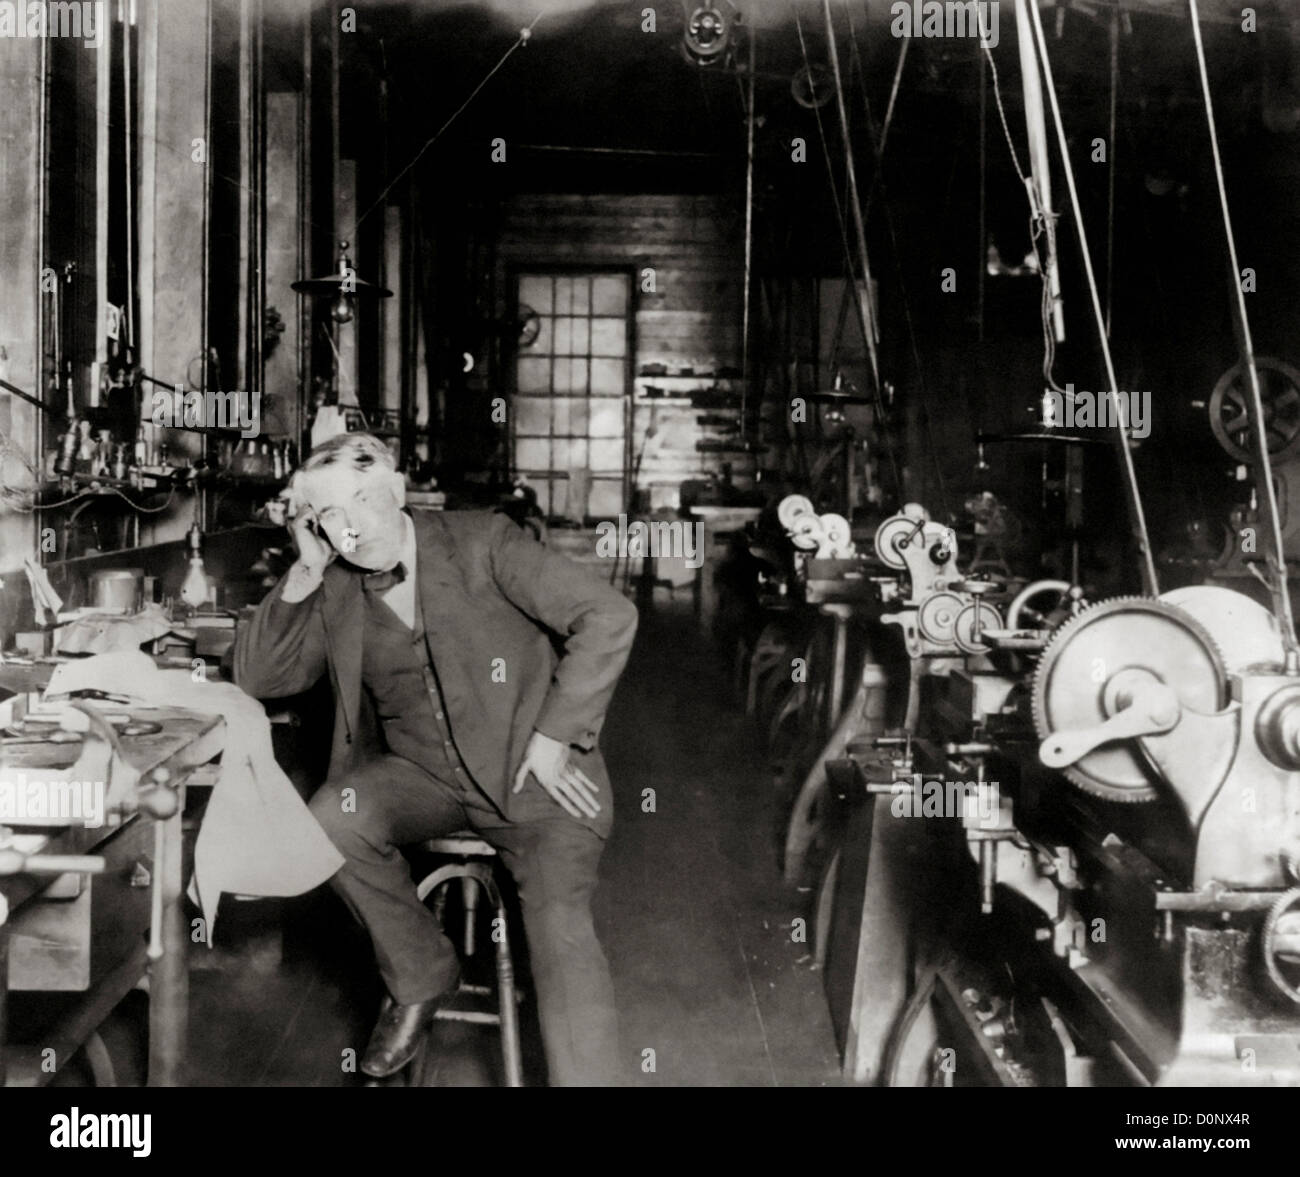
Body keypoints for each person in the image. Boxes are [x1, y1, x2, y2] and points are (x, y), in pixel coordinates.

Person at [233, 432, 638, 1085]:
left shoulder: (482, 541)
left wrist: (558, 734)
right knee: (333, 817)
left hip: (534, 778)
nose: (353, 524)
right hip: (423, 778)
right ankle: (422, 972)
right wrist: (305, 567)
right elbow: (261, 676)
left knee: (562, 946)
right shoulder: (332, 581)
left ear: (396, 490)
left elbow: (608, 614)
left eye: (364, 499)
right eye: (330, 512)